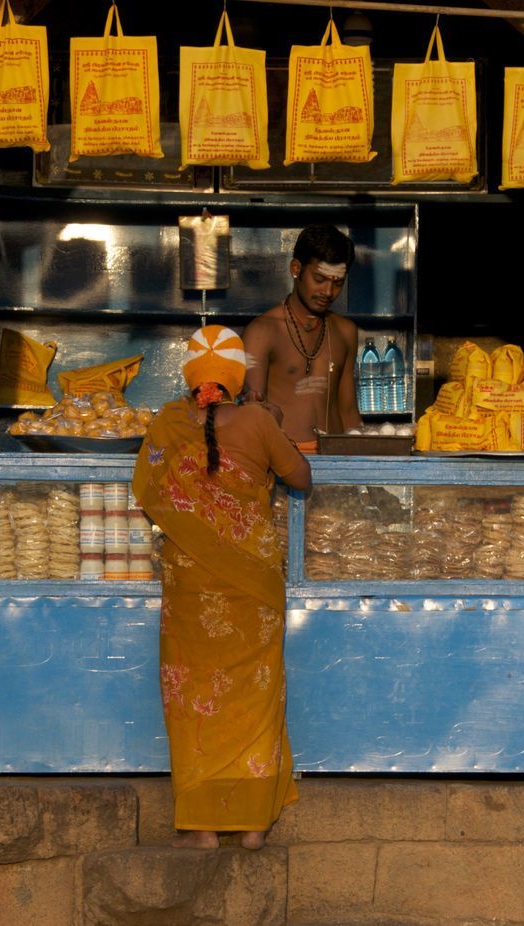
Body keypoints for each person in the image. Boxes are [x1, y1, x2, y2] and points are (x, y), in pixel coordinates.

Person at [132, 325, 312, 850]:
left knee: (194, 702)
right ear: (237, 377)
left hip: (190, 589)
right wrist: (272, 426)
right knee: (254, 701)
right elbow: (301, 477)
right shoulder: (257, 420)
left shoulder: (167, 423)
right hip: (254, 589)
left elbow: (146, 491)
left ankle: (204, 828)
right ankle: (254, 826)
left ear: (190, 376)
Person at [242, 224, 365, 451]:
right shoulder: (262, 331)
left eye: (337, 283)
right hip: (283, 463)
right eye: (319, 279)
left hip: (337, 463)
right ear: (296, 269)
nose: (328, 292)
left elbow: (348, 412)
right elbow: (254, 414)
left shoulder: (346, 331)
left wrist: (362, 473)